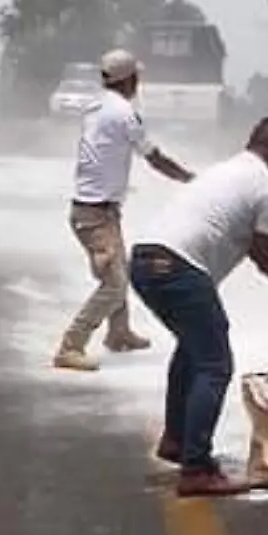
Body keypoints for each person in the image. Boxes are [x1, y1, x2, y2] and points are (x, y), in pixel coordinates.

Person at [127, 117, 268, 497]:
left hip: (144, 259)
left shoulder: (222, 171)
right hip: (180, 266)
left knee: (193, 348)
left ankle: (177, 441)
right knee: (215, 364)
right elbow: (266, 258)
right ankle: (196, 470)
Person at [53, 48, 196, 372]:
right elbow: (154, 157)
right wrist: (189, 179)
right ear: (130, 79)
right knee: (114, 283)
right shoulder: (124, 114)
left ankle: (119, 334)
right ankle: (70, 346)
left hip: (95, 209)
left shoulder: (96, 105)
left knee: (119, 267)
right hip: (95, 214)